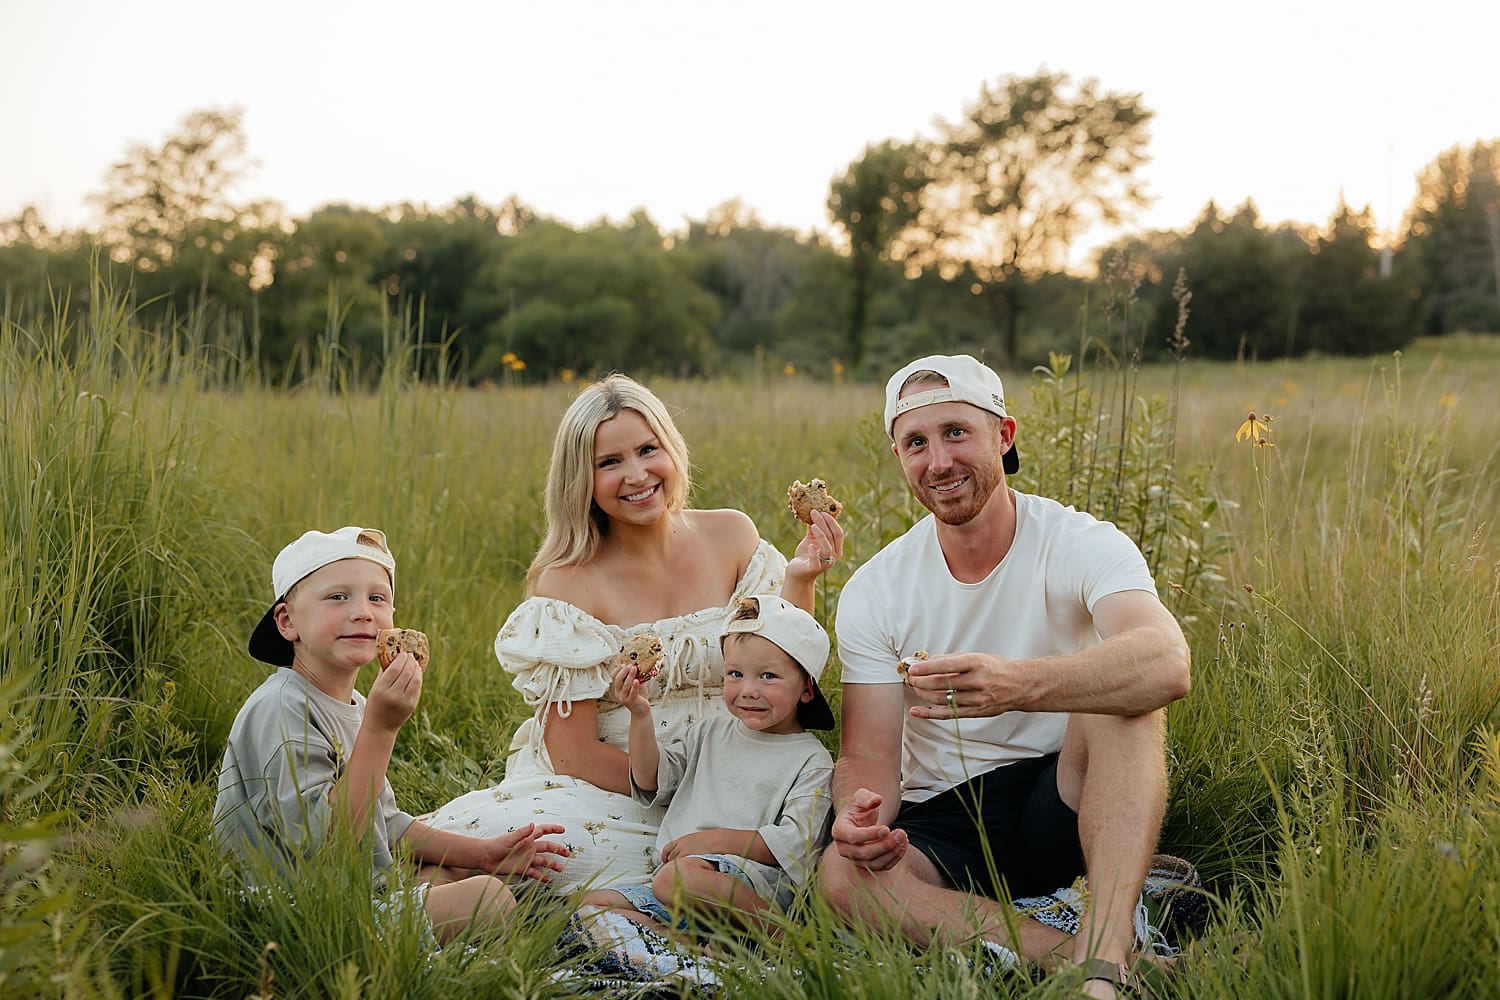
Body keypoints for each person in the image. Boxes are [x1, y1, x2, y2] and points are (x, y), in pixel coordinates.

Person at [819, 355, 1191, 999]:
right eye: (916, 443)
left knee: (1127, 700)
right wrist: (857, 811)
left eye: (956, 432)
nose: (938, 461)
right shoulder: (875, 590)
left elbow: (1166, 660)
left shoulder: (1078, 542)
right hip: (947, 815)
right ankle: (1073, 953)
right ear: (900, 456)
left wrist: (1021, 684)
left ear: (1004, 435)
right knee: (842, 876)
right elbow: (867, 753)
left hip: (1065, 798)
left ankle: (1101, 968)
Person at [424, 375, 843, 895]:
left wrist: (801, 579)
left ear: (672, 449)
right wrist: (673, 790)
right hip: (613, 787)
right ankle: (438, 905)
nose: (637, 474)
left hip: (740, 781)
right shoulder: (567, 580)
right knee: (512, 845)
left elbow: (787, 658)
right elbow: (572, 754)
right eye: (609, 462)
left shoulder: (731, 535)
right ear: (582, 478)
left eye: (648, 450)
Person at [214, 526, 570, 944]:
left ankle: (427, 929)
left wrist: (484, 853)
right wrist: (381, 730)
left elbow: (386, 825)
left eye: (377, 598)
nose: (363, 612)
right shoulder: (280, 710)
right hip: (292, 912)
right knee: (488, 899)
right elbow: (329, 845)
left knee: (453, 872)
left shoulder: (358, 705)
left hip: (344, 888)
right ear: (288, 621)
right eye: (338, 597)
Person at [578, 594, 835, 932]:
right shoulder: (708, 734)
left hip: (750, 887)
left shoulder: (810, 759)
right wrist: (640, 713)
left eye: (768, 676)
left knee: (675, 879)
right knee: (593, 906)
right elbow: (650, 778)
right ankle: (695, 947)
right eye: (735, 673)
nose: (748, 690)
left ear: (807, 689)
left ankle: (783, 938)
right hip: (679, 886)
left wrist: (712, 841)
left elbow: (797, 842)